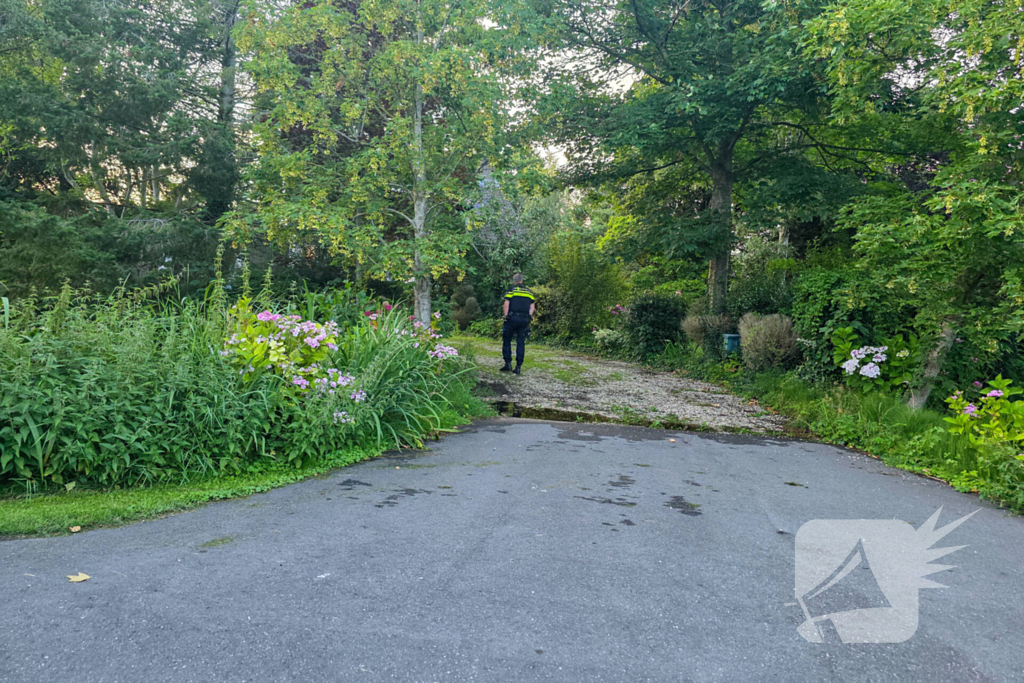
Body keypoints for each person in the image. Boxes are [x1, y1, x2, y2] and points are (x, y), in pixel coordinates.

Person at [500, 273, 535, 374]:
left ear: (514, 281)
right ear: (522, 280)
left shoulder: (511, 290)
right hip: (524, 319)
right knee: (521, 341)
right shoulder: (529, 292)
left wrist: (506, 316)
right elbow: (532, 307)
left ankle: (508, 363)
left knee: (507, 340)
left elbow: (506, 304)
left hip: (512, 318)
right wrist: (528, 316)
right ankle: (518, 366)